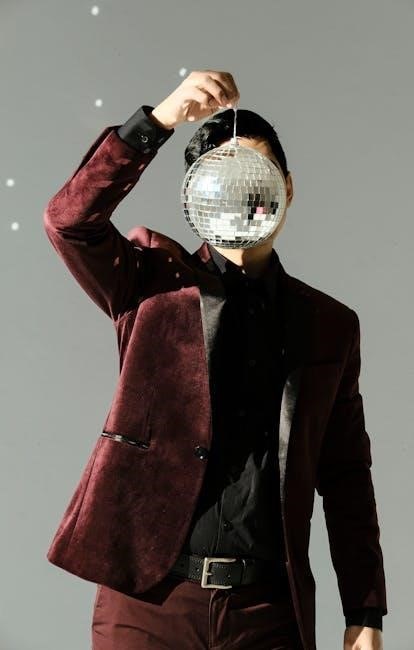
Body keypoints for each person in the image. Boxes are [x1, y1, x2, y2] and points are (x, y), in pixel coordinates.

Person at [43, 70, 387, 650]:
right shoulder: (151, 284)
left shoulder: (329, 325)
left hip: (267, 613)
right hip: (149, 606)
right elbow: (69, 222)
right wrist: (156, 123)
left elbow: (347, 473)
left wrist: (365, 610)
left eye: (256, 176)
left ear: (287, 188)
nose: (242, 194)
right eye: (221, 180)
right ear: (194, 195)